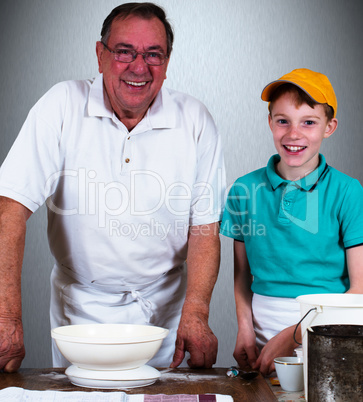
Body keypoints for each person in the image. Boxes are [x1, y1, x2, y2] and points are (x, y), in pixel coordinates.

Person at [0, 2, 226, 372]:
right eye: (124, 51)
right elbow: (10, 209)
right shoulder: (61, 105)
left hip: (165, 311)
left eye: (154, 54)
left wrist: (197, 314)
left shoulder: (196, 120)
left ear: (167, 62)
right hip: (81, 309)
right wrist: (5, 318)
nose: (139, 67)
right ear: (100, 55)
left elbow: (205, 228)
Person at [220, 68, 363, 376]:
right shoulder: (244, 190)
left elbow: (360, 288)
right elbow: (242, 276)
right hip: (263, 344)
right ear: (270, 122)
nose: (293, 134)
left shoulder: (348, 192)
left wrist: (296, 334)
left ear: (329, 127)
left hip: (330, 336)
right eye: (283, 120)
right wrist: (245, 329)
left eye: (309, 122)